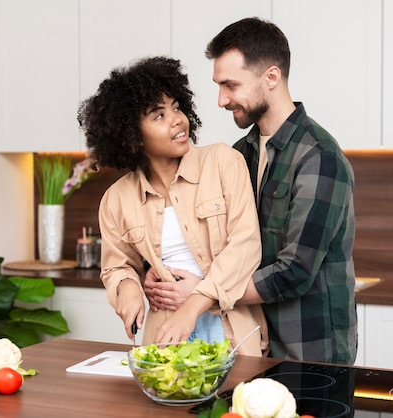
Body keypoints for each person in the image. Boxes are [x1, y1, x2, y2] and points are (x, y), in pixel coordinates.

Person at [146, 18, 357, 365]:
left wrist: (202, 295)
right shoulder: (239, 155)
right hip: (251, 341)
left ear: (271, 78)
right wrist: (154, 275)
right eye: (219, 86)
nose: (221, 99)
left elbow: (296, 271)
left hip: (309, 350)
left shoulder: (320, 158)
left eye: (230, 85)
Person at [77, 56, 267, 356]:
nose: (177, 119)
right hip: (165, 336)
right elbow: (116, 265)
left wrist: (191, 307)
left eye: (177, 107)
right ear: (131, 135)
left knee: (234, 403)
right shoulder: (116, 200)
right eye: (159, 115)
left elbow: (245, 247)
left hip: (232, 332)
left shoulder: (223, 162)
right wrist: (128, 287)